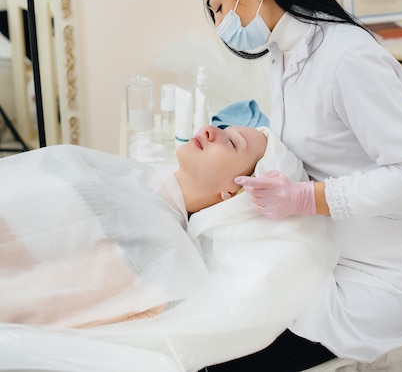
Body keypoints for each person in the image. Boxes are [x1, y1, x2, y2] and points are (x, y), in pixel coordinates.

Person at [188, 0, 402, 370]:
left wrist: (308, 197)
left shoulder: (348, 57)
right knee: (210, 324)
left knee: (217, 360)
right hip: (321, 257)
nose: (218, 25)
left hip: (372, 281)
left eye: (217, 8)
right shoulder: (285, 53)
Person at [0, 124, 337, 372]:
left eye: (231, 143)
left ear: (234, 193)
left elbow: (33, 299)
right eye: (221, 127)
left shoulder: (157, 253)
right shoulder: (130, 176)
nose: (210, 131)